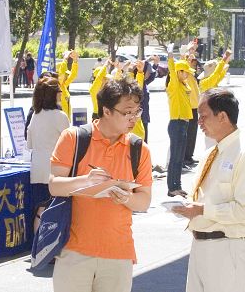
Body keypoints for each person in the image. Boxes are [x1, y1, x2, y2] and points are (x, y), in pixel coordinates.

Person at [49, 77, 152, 292]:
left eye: (137, 112)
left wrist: (127, 198)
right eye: (127, 112)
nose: (133, 118)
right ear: (107, 111)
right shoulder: (74, 138)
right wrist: (86, 180)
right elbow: (54, 186)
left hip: (118, 254)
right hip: (73, 252)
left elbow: (143, 202)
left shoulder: (139, 149)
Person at [173, 88, 245, 292]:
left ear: (222, 116)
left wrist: (202, 210)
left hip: (227, 247)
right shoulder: (210, 154)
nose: (199, 122)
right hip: (200, 245)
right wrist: (186, 204)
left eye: (203, 116)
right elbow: (206, 198)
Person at [27, 76, 69, 222]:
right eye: (59, 90)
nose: (61, 93)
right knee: (55, 212)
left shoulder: (35, 115)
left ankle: (37, 244)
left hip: (37, 170)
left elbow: (29, 145)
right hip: (56, 172)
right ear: (53, 95)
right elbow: (71, 145)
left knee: (40, 211)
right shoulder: (60, 116)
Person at [166, 44, 195, 197]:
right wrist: (170, 54)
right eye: (186, 73)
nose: (188, 75)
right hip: (177, 124)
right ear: (179, 72)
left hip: (183, 123)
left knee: (179, 159)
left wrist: (187, 54)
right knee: (175, 158)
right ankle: (172, 188)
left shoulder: (183, 84)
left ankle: (177, 186)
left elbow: (181, 66)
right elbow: (172, 69)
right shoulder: (175, 84)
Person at [184, 55, 201, 167]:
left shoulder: (194, 76)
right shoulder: (186, 74)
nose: (194, 64)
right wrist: (188, 55)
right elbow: (183, 64)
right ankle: (185, 157)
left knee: (193, 133)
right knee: (188, 133)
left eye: (195, 63)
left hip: (195, 107)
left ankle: (189, 156)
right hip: (189, 107)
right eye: (192, 62)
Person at [56, 50, 79, 121]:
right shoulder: (56, 86)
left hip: (66, 121)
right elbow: (61, 73)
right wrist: (65, 59)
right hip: (60, 122)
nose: (67, 76)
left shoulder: (64, 85)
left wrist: (75, 61)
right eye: (66, 74)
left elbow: (73, 75)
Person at [141, 58, 157, 143]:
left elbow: (152, 76)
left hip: (144, 117)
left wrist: (155, 64)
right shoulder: (138, 83)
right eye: (148, 71)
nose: (149, 73)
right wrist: (147, 61)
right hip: (139, 119)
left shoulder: (144, 83)